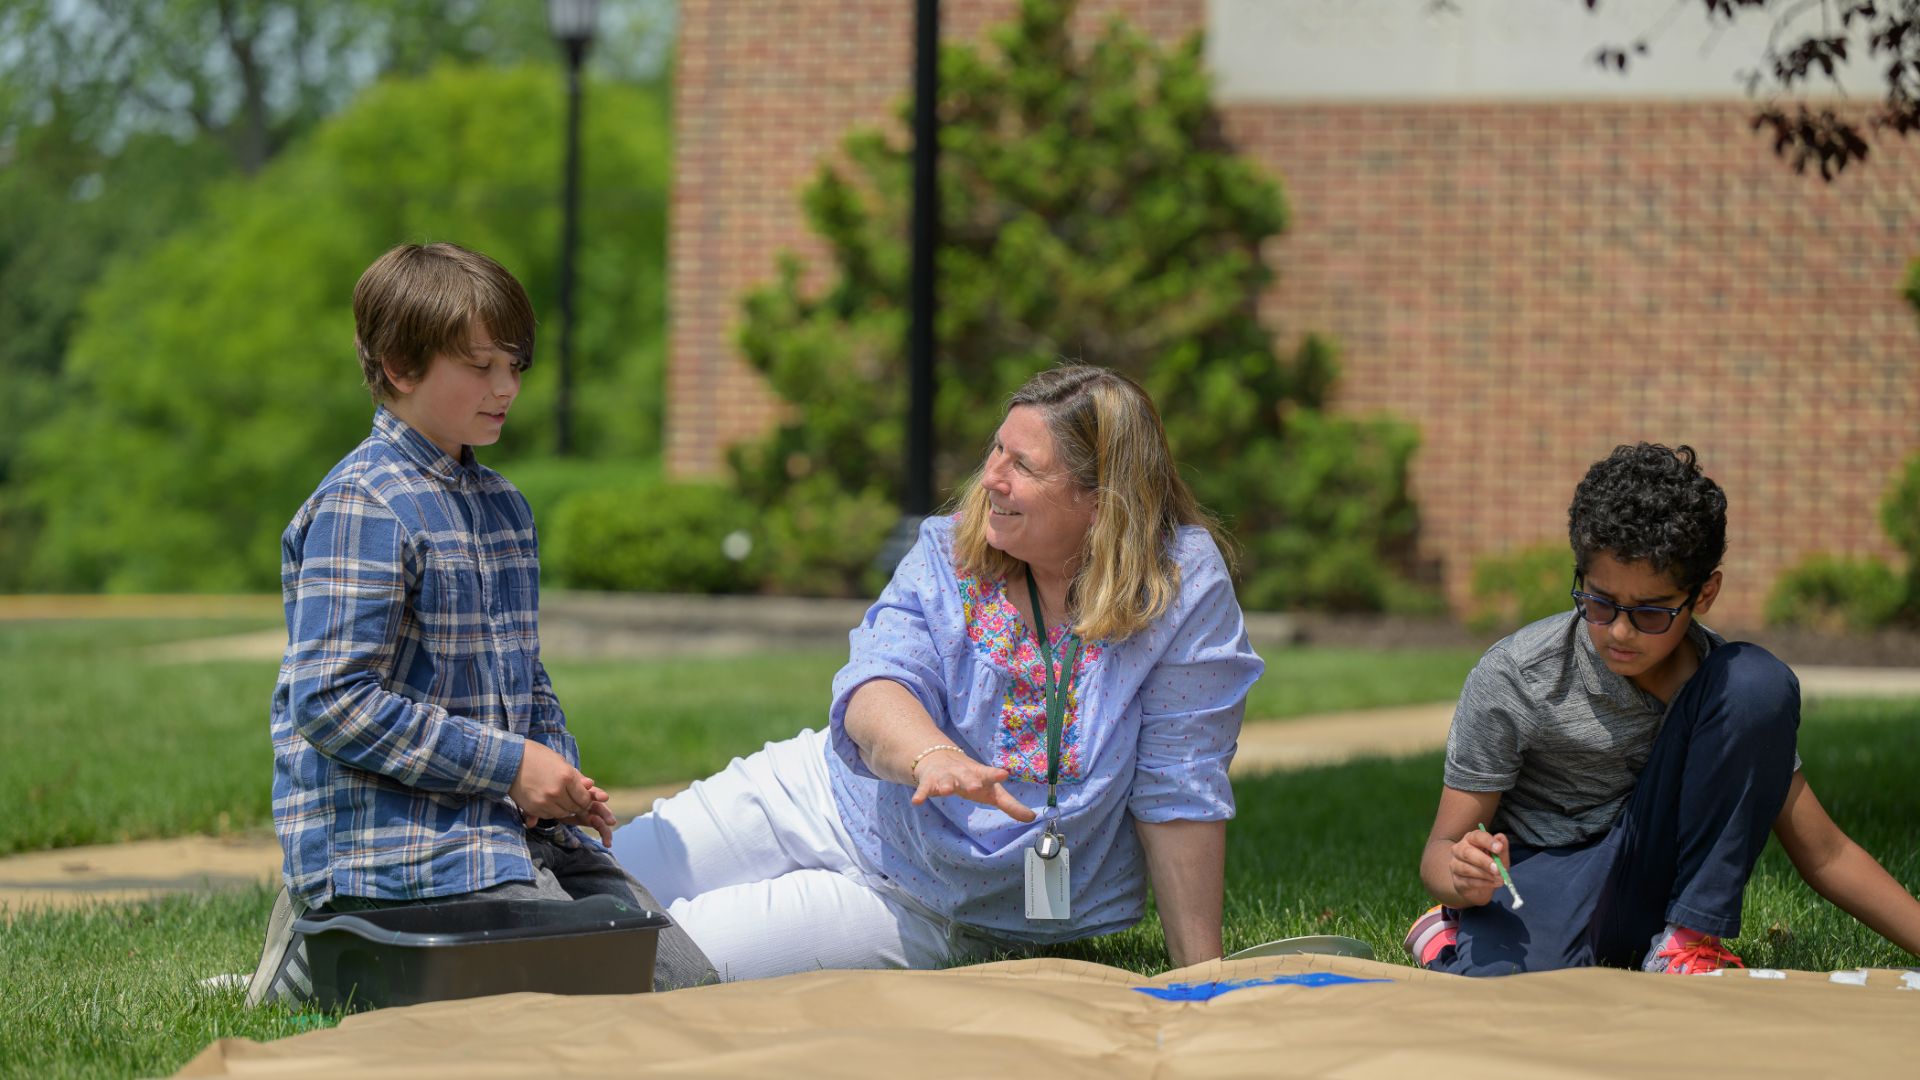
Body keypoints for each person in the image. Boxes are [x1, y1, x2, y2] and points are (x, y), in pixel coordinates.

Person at [611, 365, 1263, 980]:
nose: (991, 479)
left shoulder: (1180, 583)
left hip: (928, 903)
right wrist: (929, 755)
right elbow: (876, 686)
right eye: (996, 451)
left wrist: (1200, 978)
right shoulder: (948, 549)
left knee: (653, 954)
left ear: (1099, 501)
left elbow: (1179, 785)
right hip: (821, 796)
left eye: (1023, 465)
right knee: (588, 884)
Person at [245, 242, 716, 1006]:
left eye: (516, 366)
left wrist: (556, 777)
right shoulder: (363, 504)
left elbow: (524, 678)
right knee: (583, 1005)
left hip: (510, 841)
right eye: (481, 366)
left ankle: (366, 958)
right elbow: (333, 701)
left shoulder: (504, 506)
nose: (507, 388)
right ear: (400, 365)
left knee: (682, 984)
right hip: (399, 856)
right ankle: (322, 950)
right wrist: (510, 767)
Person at [1405, 442, 1920, 976]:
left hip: (1658, 878)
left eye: (1651, 612)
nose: (1621, 631)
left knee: (1757, 680)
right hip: (1545, 871)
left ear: (1704, 594)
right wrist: (1462, 876)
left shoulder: (1724, 697)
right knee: (1513, 998)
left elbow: (1826, 852)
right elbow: (1440, 850)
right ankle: (1448, 931)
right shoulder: (1517, 676)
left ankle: (1687, 943)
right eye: (1600, 603)